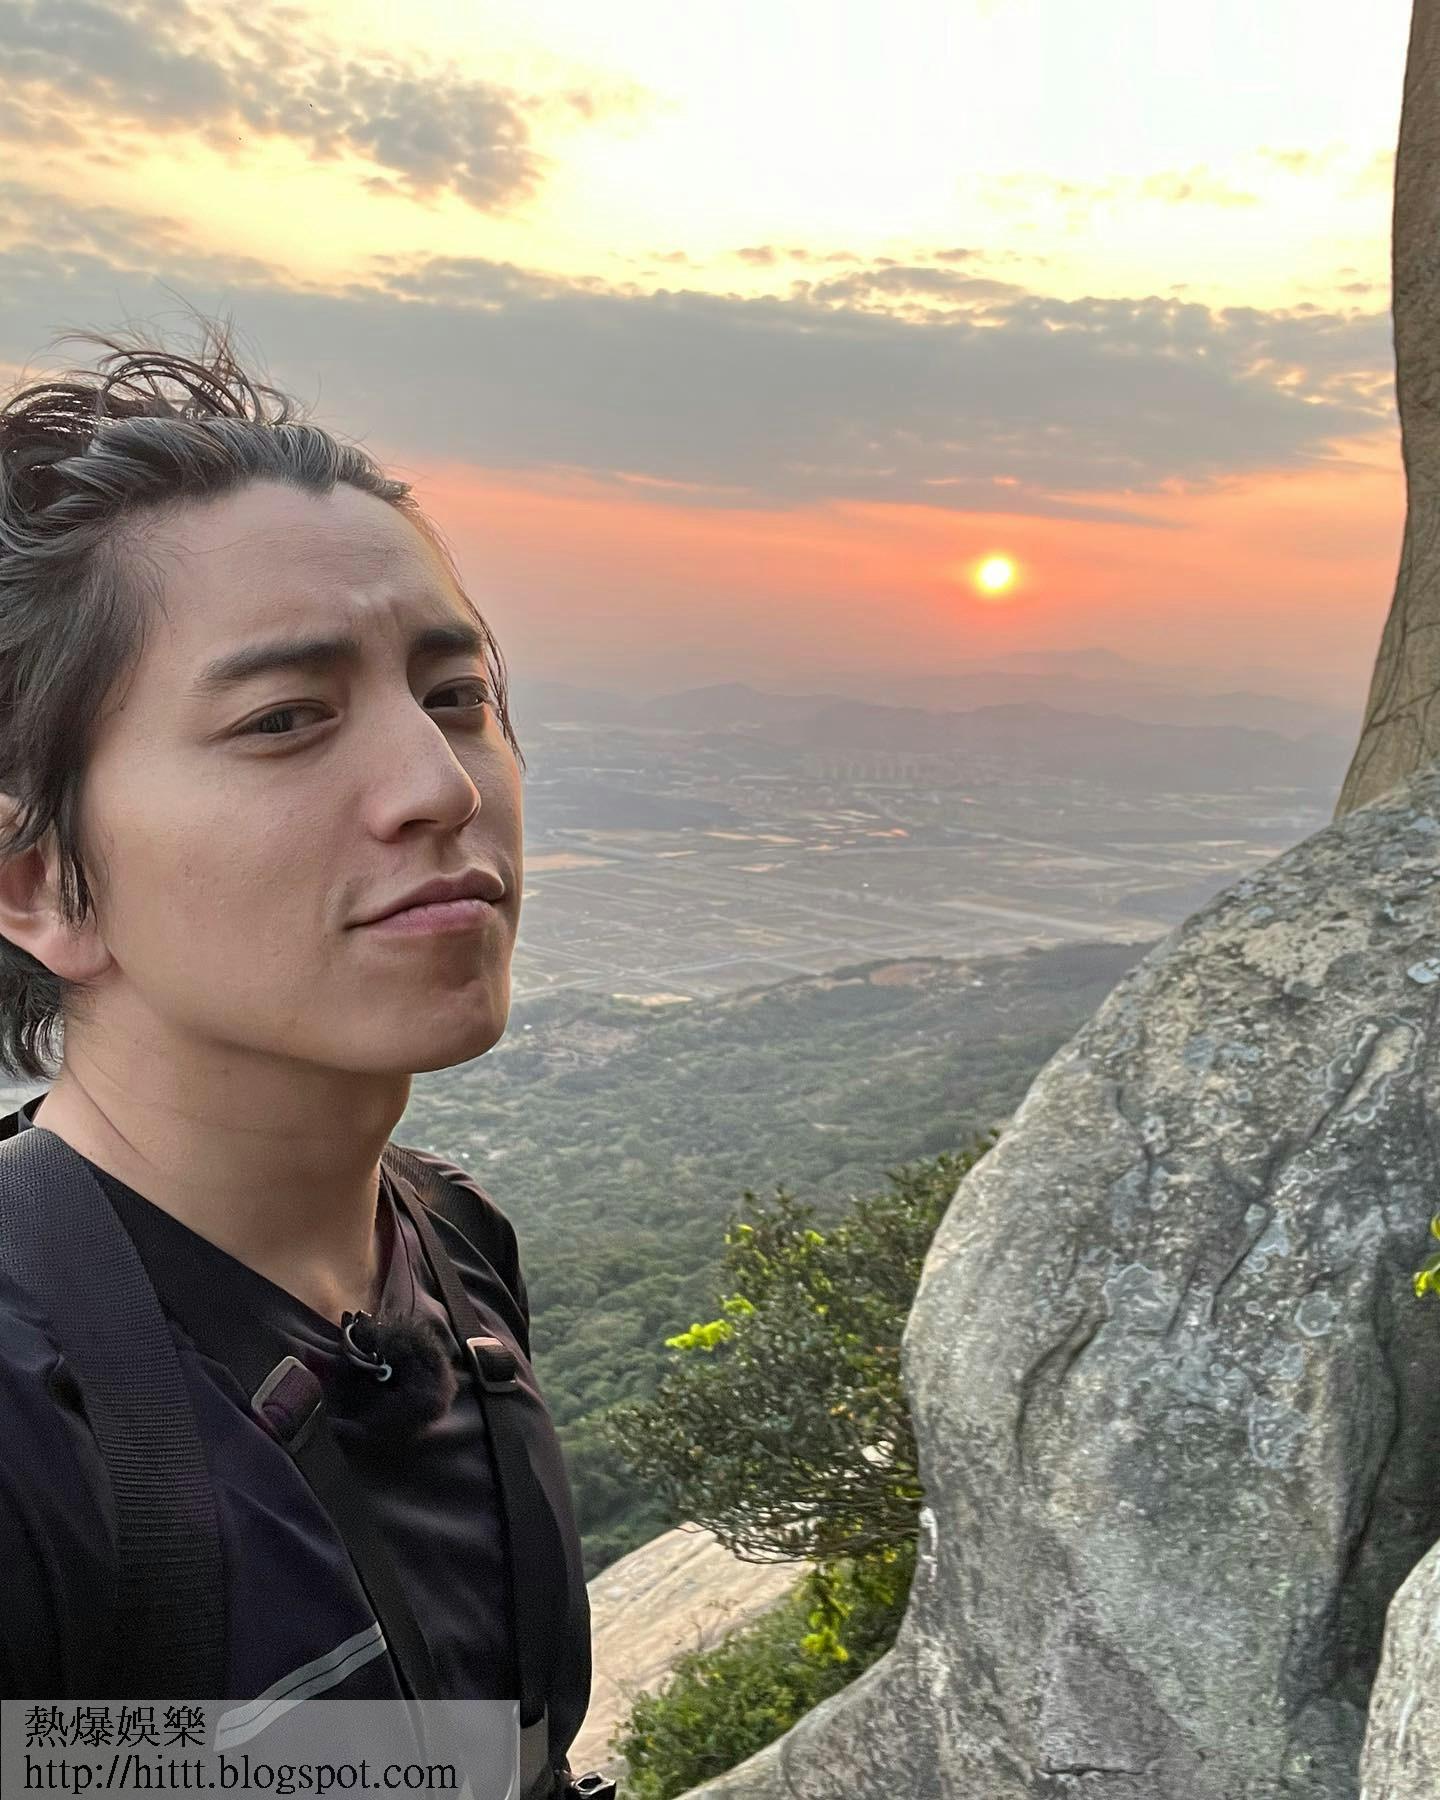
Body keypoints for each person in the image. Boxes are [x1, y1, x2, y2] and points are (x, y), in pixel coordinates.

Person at [0, 328, 595, 1797]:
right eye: (284, 720)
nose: (440, 786)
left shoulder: (452, 1254)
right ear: (39, 882)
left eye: (455, 695)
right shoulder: (30, 1426)